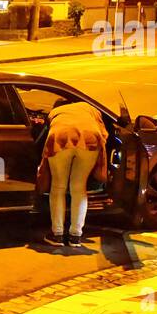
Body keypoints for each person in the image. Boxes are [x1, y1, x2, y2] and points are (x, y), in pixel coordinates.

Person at [38, 100, 108, 246]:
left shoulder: (55, 113)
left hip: (60, 136)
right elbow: (104, 133)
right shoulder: (88, 108)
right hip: (90, 138)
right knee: (79, 187)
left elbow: (45, 131)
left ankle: (57, 234)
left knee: (58, 187)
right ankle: (75, 235)